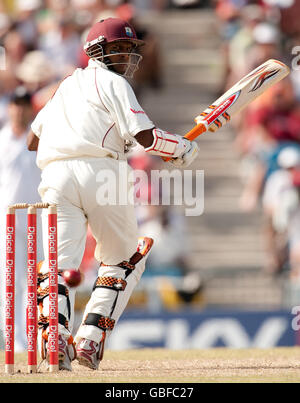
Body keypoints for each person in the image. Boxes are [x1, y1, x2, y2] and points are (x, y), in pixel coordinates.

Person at [27, 17, 198, 371]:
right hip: (102, 173)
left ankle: (55, 337)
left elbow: (33, 140)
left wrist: (78, 129)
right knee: (125, 257)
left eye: (128, 50)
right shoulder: (113, 82)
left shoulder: (66, 86)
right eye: (118, 48)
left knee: (59, 266)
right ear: (96, 51)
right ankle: (89, 339)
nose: (125, 56)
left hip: (56, 176)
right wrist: (181, 148)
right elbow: (146, 137)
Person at [0, 87, 42, 352]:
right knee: (9, 280)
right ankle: (12, 340)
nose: (20, 109)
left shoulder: (40, 141)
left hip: (36, 219)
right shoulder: (2, 140)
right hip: (7, 220)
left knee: (35, 281)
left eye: (25, 104)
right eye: (16, 104)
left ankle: (33, 340)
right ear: (10, 107)